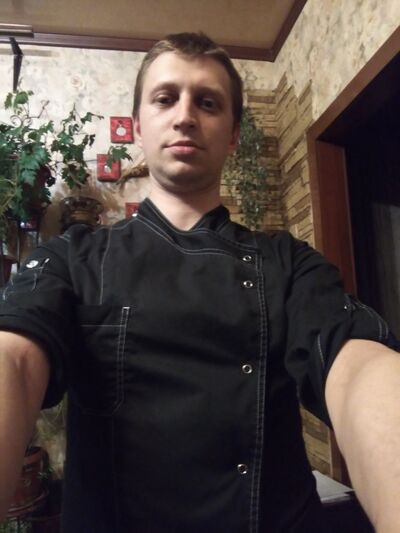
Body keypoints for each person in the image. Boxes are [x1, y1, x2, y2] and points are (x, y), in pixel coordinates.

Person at [0, 31, 399, 533]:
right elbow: (14, 359)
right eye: (166, 98)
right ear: (138, 126)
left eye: (207, 102)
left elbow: (358, 364)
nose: (185, 115)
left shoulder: (289, 263)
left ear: (232, 135)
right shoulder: (71, 258)